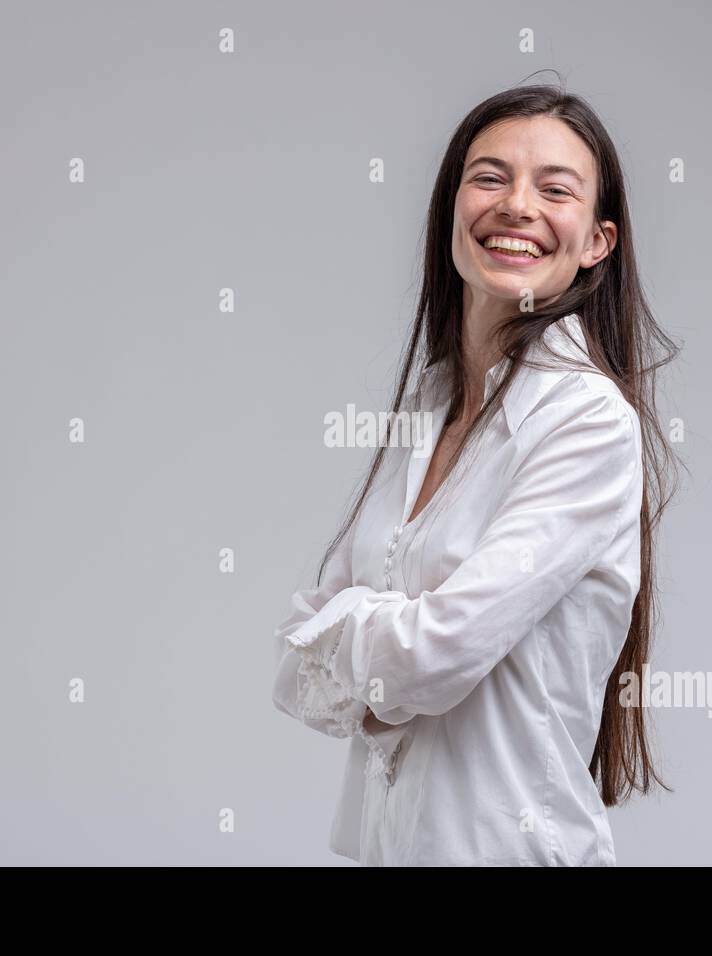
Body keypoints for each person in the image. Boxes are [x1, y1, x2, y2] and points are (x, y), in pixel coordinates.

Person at [272, 79, 680, 866]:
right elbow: (293, 672)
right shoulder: (429, 407)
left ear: (598, 242)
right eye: (490, 177)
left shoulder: (585, 420)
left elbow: (437, 655)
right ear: (450, 208)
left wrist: (358, 638)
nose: (517, 205)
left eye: (554, 189)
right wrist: (381, 656)